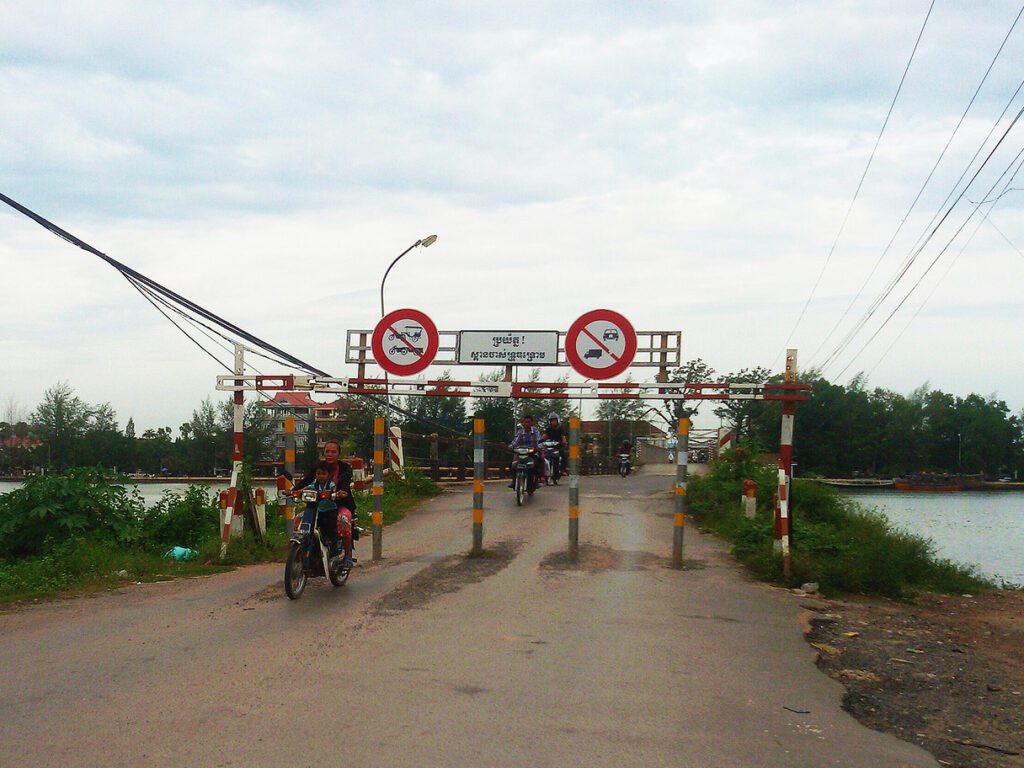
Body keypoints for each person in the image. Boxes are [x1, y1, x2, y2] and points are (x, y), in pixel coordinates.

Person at [294, 441, 356, 565]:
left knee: (342, 521)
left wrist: (342, 491)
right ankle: (300, 549)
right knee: (298, 520)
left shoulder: (344, 468)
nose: (330, 454)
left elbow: (345, 480)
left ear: (339, 454)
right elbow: (307, 480)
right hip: (317, 506)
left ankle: (348, 555)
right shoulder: (319, 467)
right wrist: (293, 491)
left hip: (339, 505)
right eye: (327, 451)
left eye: (333, 452)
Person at [508, 413, 544, 487]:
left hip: (533, 452)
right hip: (521, 452)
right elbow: (515, 441)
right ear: (522, 423)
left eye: (528, 422)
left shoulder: (535, 431)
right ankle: (514, 481)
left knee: (537, 463)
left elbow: (539, 441)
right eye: (525, 422)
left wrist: (538, 448)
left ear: (531, 423)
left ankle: (536, 481)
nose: (526, 424)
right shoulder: (520, 432)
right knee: (512, 464)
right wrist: (511, 447)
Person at [543, 412, 567, 481]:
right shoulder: (548, 429)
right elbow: (544, 436)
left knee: (564, 454)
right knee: (542, 456)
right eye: (551, 420)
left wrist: (564, 441)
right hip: (549, 446)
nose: (553, 422)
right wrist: (541, 440)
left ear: (557, 421)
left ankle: (563, 470)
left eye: (554, 420)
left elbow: (563, 436)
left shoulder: (560, 429)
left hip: (558, 446)